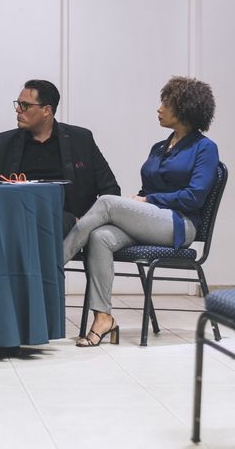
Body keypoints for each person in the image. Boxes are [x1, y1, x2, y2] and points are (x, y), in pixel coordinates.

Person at [63, 76, 219, 347]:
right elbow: (147, 191)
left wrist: (148, 200)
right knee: (100, 237)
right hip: (152, 220)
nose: (159, 109)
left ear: (185, 109)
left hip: (179, 225)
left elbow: (195, 197)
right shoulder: (159, 148)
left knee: (107, 202)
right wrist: (140, 203)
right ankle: (103, 318)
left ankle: (54, 265)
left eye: (166, 104)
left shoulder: (205, 148)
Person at [0, 79, 120, 237]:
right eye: (18, 104)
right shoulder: (3, 143)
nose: (18, 109)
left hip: (67, 221)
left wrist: (87, 221)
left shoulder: (80, 139)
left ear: (46, 110)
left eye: (25, 105)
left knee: (54, 221)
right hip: (18, 217)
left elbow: (110, 190)